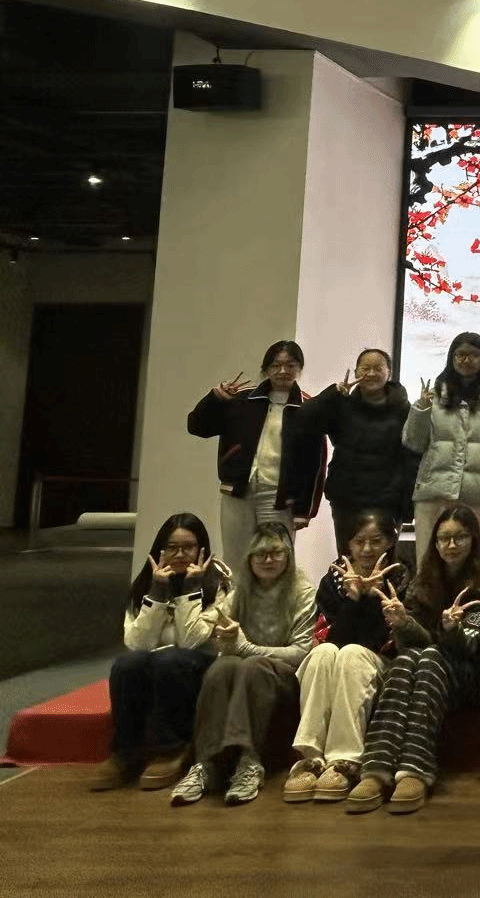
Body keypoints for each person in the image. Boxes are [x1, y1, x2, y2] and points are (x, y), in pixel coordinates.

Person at [346, 504, 480, 814]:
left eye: (460, 537)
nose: (451, 545)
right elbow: (409, 645)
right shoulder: (423, 580)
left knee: (430, 656)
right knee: (406, 660)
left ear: (474, 539)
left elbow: (473, 648)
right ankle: (377, 768)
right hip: (427, 667)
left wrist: (452, 630)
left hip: (470, 673)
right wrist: (403, 623)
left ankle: (415, 769)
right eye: (444, 538)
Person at [170, 522, 316, 807]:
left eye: (276, 553)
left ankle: (249, 761)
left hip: (284, 680)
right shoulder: (238, 592)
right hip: (245, 676)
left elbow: (300, 652)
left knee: (252, 665)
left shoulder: (303, 591)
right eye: (260, 554)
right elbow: (197, 636)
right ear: (249, 559)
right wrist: (224, 641)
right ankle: (206, 764)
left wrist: (246, 648)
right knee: (222, 667)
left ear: (288, 556)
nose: (268, 560)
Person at [283, 510, 409, 803]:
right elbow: (332, 639)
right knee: (323, 653)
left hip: (383, 664)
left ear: (390, 541)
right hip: (341, 656)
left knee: (352, 654)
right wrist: (354, 599)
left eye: (376, 541)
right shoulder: (334, 580)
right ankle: (310, 758)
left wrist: (374, 596)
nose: (367, 549)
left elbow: (382, 641)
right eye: (359, 541)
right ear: (348, 545)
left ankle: (345, 759)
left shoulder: (401, 576)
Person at [90, 514, 221, 792]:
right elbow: (138, 643)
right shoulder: (145, 584)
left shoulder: (219, 585)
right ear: (160, 550)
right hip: (158, 660)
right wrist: (158, 594)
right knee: (127, 664)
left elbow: (191, 641)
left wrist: (190, 589)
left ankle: (171, 748)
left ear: (202, 550)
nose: (180, 555)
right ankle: (126, 751)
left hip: (201, 664)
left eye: (188, 547)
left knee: (170, 660)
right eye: (172, 547)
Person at [187, 339, 326, 555]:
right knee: (235, 558)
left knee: (276, 558)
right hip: (238, 492)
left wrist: (304, 511)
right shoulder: (243, 399)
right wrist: (215, 399)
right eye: (275, 365)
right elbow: (197, 427)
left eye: (290, 365)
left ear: (299, 368)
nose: (282, 371)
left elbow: (315, 464)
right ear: (265, 369)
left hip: (279, 497)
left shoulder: (308, 408)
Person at [301, 349, 417, 555]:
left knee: (384, 562)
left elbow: (411, 457)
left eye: (378, 368)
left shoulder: (403, 408)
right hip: (347, 498)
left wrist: (408, 505)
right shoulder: (342, 404)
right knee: (348, 559)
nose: (371, 373)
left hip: (388, 499)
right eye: (365, 368)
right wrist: (333, 394)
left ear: (389, 372)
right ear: (355, 372)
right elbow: (304, 420)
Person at [404, 332, 480, 556]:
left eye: (473, 355)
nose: (466, 360)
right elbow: (413, 443)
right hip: (432, 493)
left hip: (474, 494)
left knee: (468, 563)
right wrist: (421, 409)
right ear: (451, 358)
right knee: (427, 561)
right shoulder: (433, 394)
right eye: (460, 354)